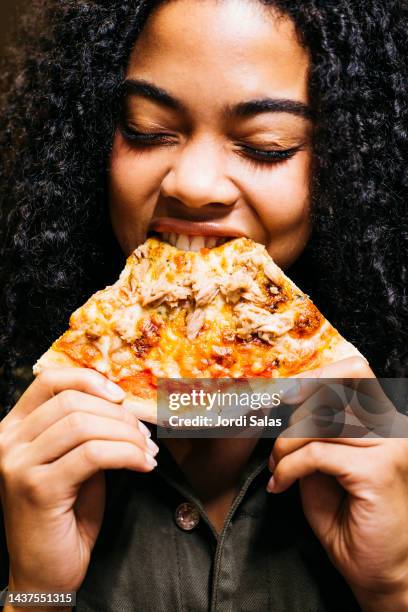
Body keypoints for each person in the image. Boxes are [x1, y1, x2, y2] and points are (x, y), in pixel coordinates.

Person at [0, 0, 407, 610]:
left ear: (357, 162)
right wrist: (37, 592)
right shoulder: (22, 442)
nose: (190, 182)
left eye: (268, 144)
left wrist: (394, 586)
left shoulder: (391, 433)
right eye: (146, 129)